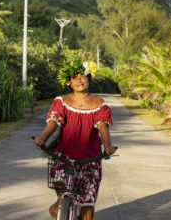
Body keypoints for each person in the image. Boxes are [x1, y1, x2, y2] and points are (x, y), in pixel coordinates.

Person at [34, 61, 116, 220]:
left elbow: (103, 128)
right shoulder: (62, 101)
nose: (79, 80)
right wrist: (42, 139)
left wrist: (108, 146)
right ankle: (61, 201)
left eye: (83, 76)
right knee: (58, 178)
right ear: (68, 82)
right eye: (74, 77)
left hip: (90, 157)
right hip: (65, 153)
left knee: (87, 203)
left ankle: (74, 208)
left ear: (89, 79)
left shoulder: (99, 104)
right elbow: (53, 122)